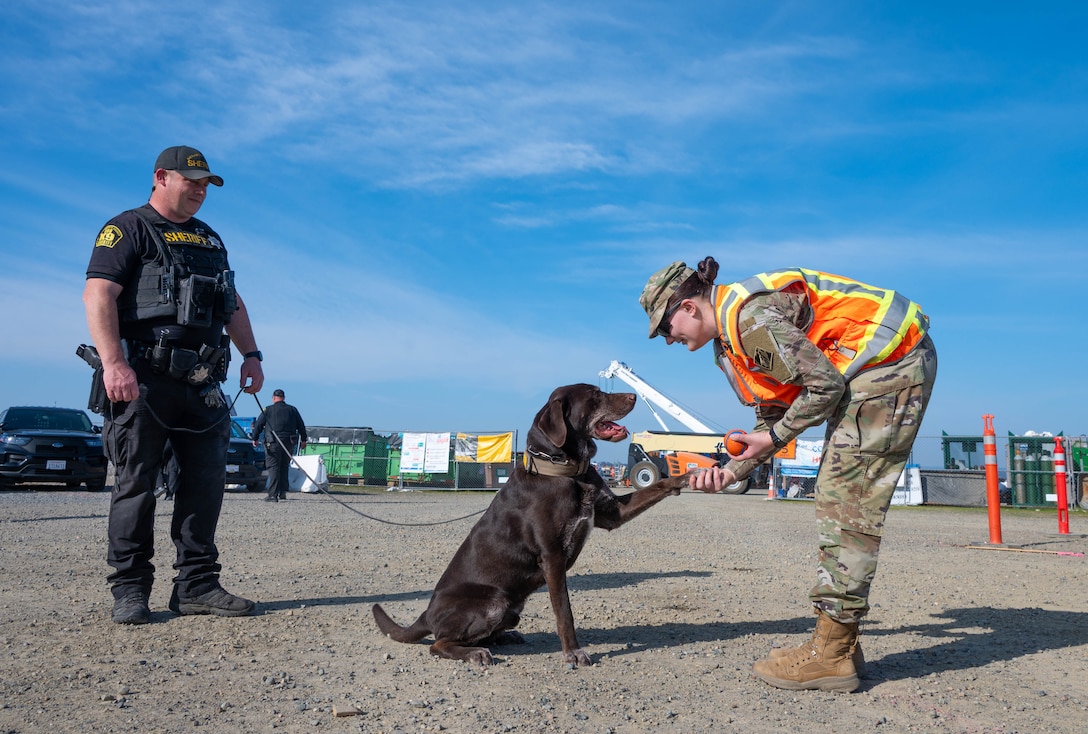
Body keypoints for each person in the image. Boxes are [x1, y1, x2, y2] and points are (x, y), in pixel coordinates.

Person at [640, 257, 937, 692]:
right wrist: (728, 472)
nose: (668, 340)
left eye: (665, 329)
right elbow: (775, 411)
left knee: (846, 499)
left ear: (687, 307)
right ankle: (839, 644)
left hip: (891, 363)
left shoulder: (748, 319)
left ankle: (831, 655)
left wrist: (774, 435)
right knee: (837, 495)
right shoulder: (731, 337)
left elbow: (824, 388)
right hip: (874, 370)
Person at [83, 145, 265, 625]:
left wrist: (251, 354)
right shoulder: (128, 228)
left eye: (207, 184)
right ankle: (130, 590)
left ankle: (197, 585)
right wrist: (113, 363)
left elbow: (233, 301)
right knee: (136, 485)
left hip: (202, 381)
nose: (202, 191)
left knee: (205, 485)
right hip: (143, 380)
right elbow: (98, 292)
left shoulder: (209, 239)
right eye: (193, 181)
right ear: (161, 177)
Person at [250, 389, 307, 502]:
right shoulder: (292, 410)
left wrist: (255, 438)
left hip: (273, 442)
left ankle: (272, 494)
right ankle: (282, 492)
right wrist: (304, 440)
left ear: (273, 398)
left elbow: (259, 425)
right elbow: (301, 425)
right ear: (283, 398)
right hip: (289, 443)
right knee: (284, 466)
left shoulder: (268, 409)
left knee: (273, 467)